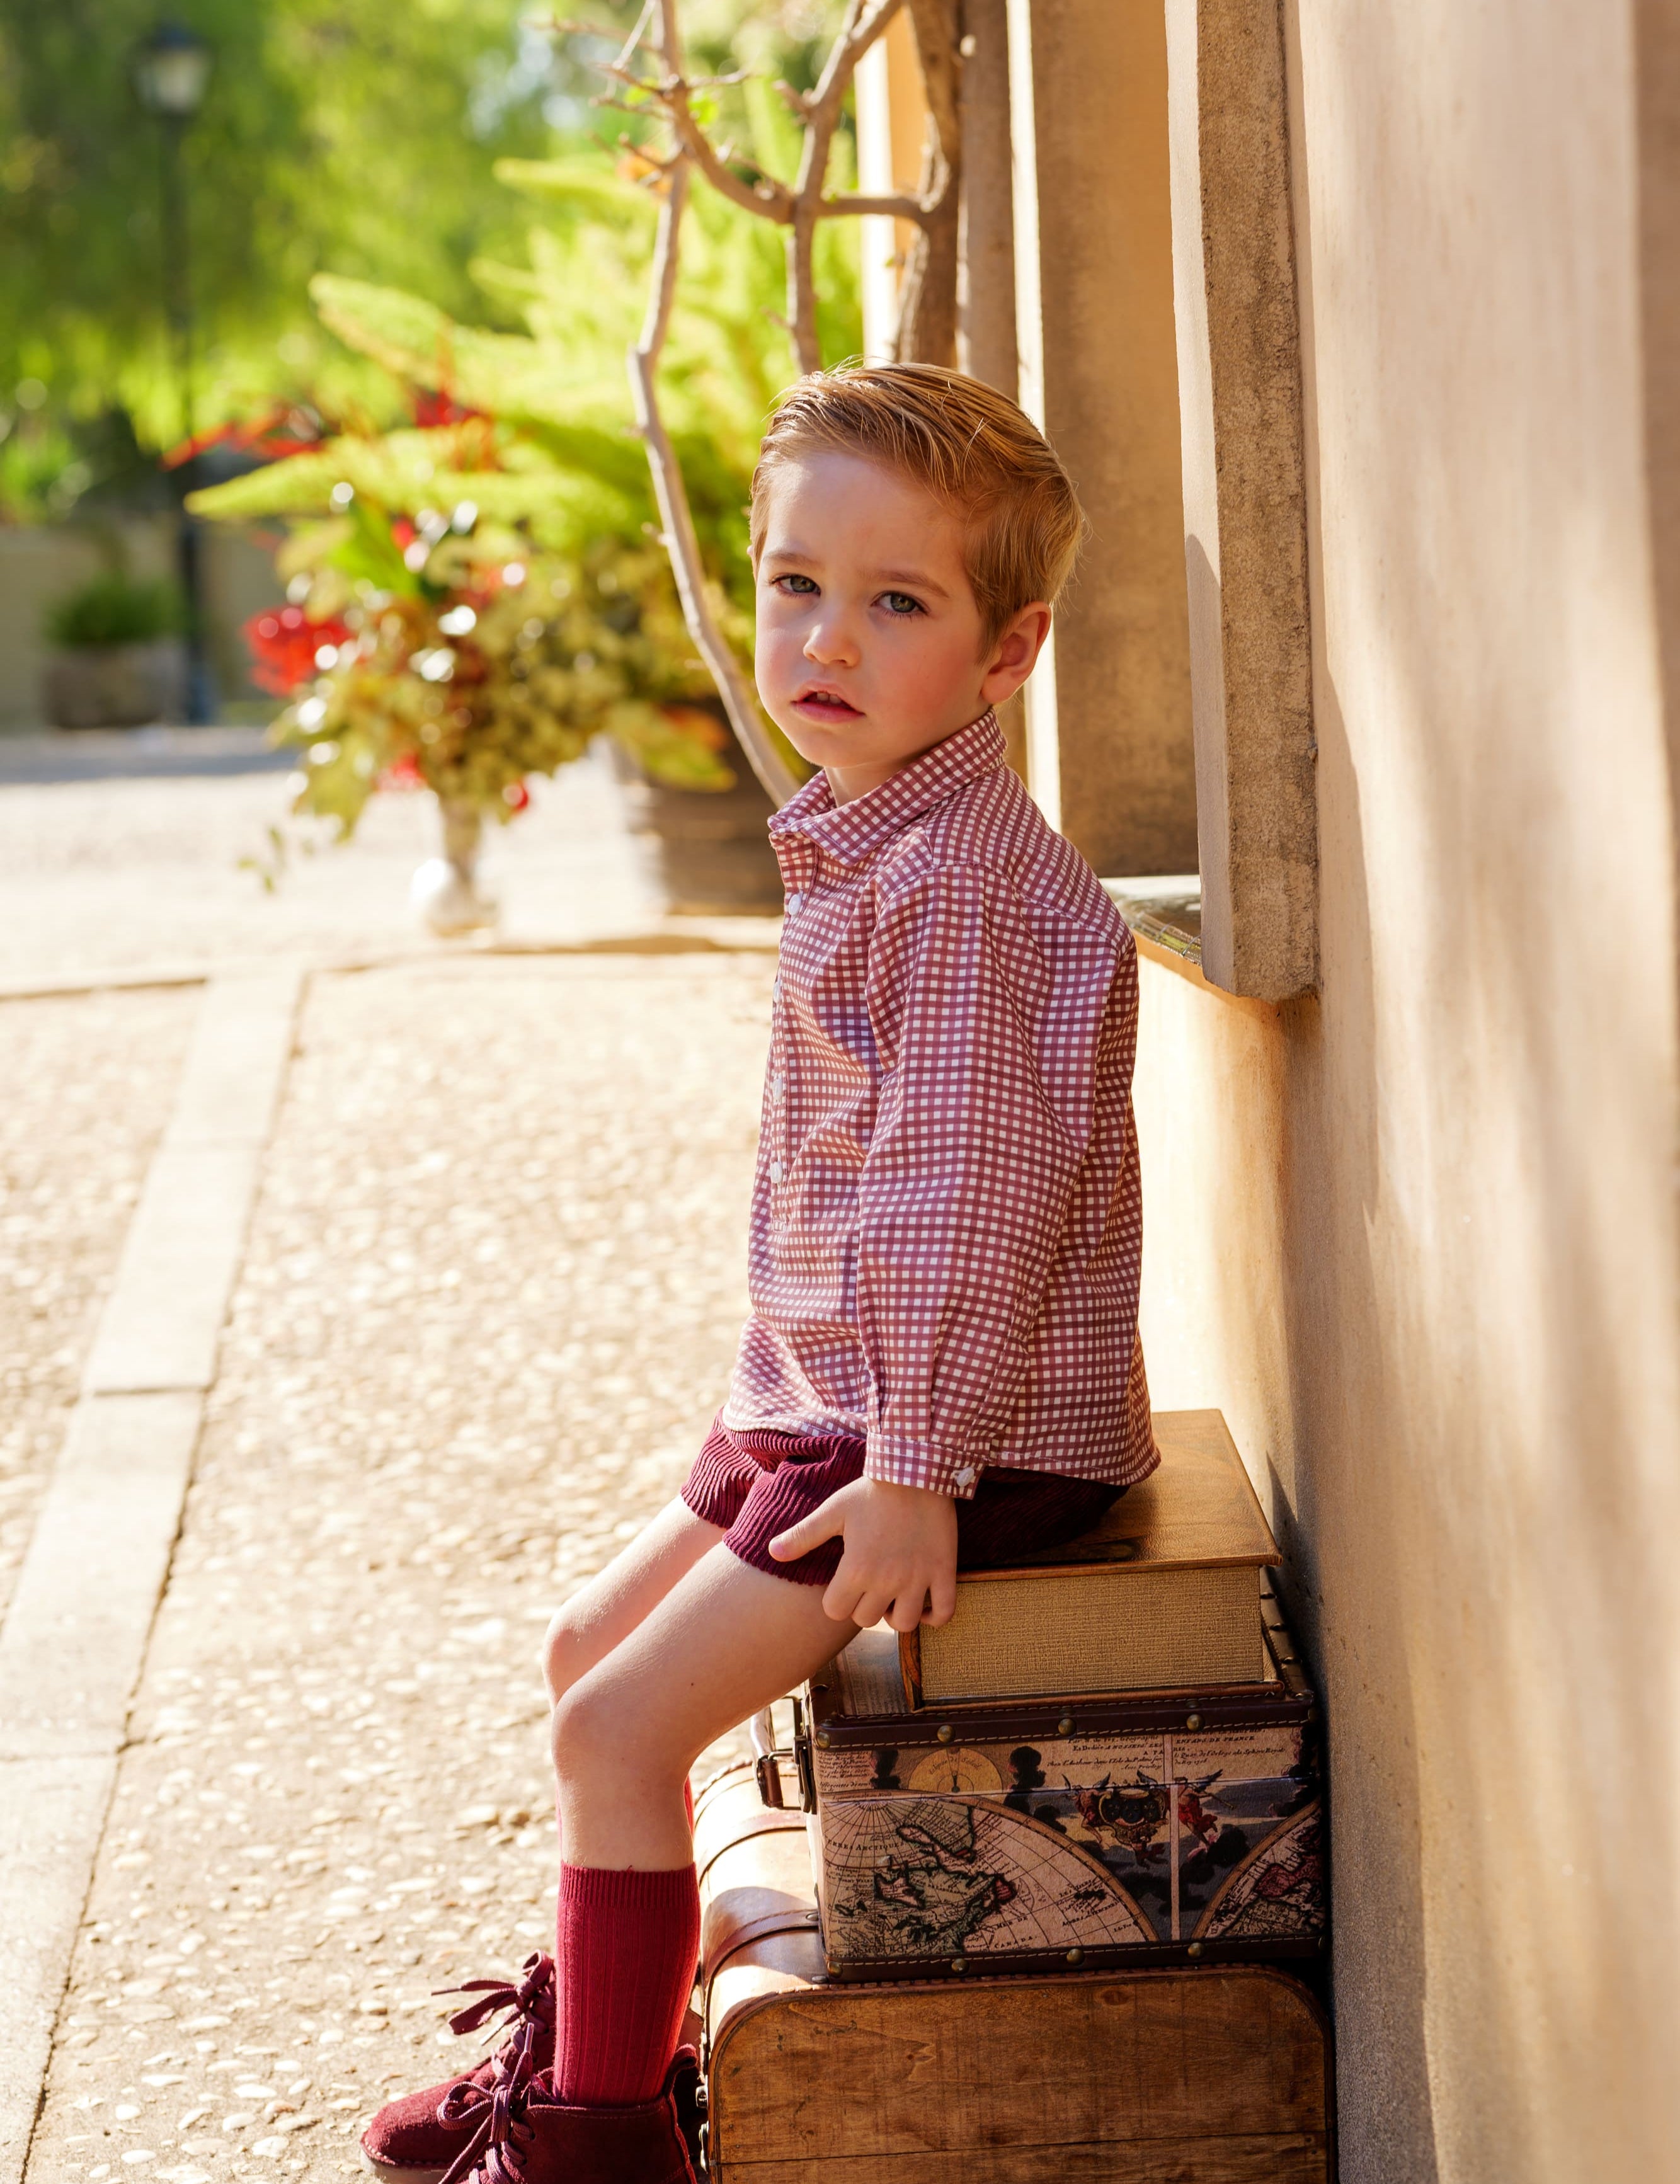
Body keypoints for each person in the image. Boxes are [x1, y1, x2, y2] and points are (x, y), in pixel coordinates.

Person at [360, 364, 1160, 2184]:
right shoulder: (877, 835)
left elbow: (962, 1201)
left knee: (616, 1722)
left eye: (899, 601)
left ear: (1007, 646)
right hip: (835, 1398)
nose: (827, 636)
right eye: (797, 583)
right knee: (584, 1645)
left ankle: (598, 2144)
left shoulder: (954, 885)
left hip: (948, 1430)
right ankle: (599, 2030)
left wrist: (911, 1467)